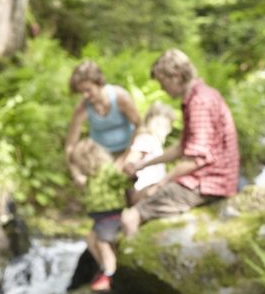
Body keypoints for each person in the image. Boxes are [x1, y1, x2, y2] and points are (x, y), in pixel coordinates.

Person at [121, 48, 239, 236]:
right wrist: (141, 165)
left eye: (162, 82)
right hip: (210, 179)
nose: (162, 88)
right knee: (142, 195)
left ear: (175, 75)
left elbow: (197, 159)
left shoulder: (199, 102)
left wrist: (162, 183)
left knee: (130, 217)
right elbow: (182, 147)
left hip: (208, 183)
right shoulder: (200, 95)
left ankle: (129, 259)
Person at [68, 138, 133, 291]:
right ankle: (105, 267)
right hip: (100, 217)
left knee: (102, 243)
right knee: (90, 237)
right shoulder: (92, 176)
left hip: (111, 215)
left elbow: (122, 180)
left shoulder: (107, 170)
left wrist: (130, 177)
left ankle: (109, 274)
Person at [65, 60, 141, 186]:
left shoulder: (120, 98)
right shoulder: (82, 108)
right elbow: (70, 146)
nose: (85, 96)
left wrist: (123, 159)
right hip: (101, 157)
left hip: (129, 150)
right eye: (81, 92)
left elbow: (139, 126)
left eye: (88, 90)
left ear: (98, 83)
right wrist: (76, 173)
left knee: (129, 183)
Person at [124, 101, 177, 204]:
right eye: (157, 124)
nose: (160, 129)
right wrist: (131, 166)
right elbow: (131, 159)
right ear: (148, 122)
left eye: (164, 126)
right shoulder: (147, 139)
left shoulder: (155, 142)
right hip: (145, 189)